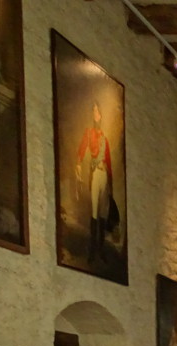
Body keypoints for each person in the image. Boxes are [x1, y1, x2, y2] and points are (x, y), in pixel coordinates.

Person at [75, 101, 113, 263]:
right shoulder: (89, 133)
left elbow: (109, 161)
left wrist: (110, 182)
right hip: (95, 173)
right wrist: (78, 162)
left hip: (104, 175)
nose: (95, 114)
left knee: (103, 212)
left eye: (97, 111)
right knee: (94, 211)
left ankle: (101, 249)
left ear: (101, 115)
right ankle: (92, 250)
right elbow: (82, 148)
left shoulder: (105, 138)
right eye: (93, 111)